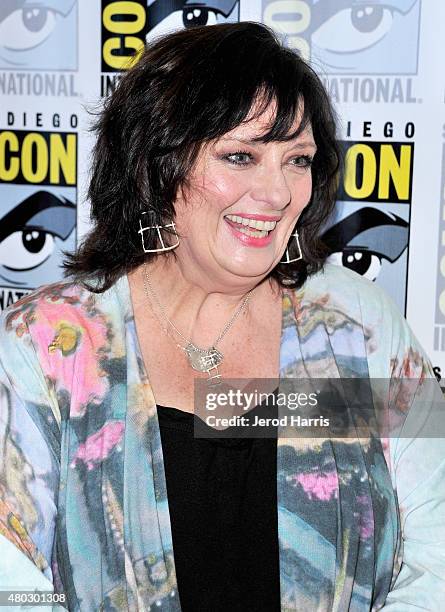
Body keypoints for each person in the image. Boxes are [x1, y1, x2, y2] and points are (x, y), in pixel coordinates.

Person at [0, 21, 444, 612]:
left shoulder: (353, 322)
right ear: (156, 166)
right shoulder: (48, 343)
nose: (278, 193)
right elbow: (14, 582)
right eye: (241, 155)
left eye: (297, 160)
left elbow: (438, 542)